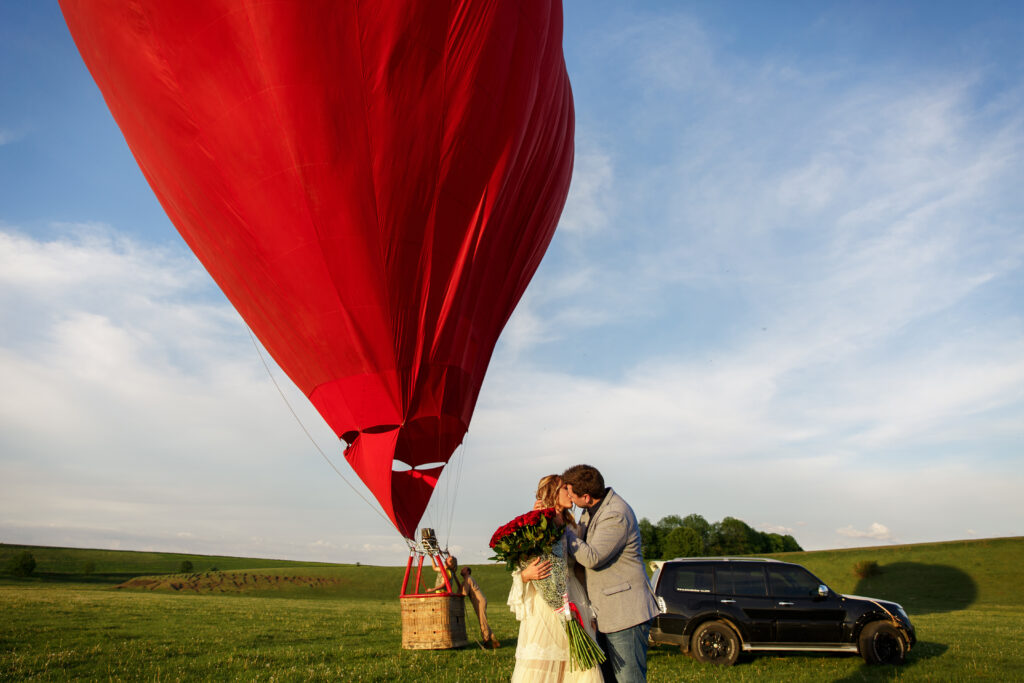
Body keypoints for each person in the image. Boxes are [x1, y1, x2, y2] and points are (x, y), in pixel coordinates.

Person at [561, 465, 658, 683]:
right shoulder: (591, 510)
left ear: (586, 496)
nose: (570, 499)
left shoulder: (615, 514)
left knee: (628, 679)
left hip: (626, 614)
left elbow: (592, 557)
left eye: (572, 494)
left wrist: (562, 528)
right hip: (606, 613)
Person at [508, 475, 603, 682]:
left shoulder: (572, 526)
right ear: (552, 493)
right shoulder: (535, 524)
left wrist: (590, 611)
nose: (571, 494)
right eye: (565, 489)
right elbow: (521, 564)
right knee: (543, 664)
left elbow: (579, 569)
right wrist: (525, 575)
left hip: (574, 596)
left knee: (580, 666)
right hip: (544, 602)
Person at [460, 565, 500, 649]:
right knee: (483, 620)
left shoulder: (468, 578)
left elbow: (464, 593)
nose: (461, 570)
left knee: (482, 621)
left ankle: (486, 641)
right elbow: (462, 587)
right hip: (478, 601)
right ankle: (494, 640)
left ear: (467, 571)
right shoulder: (466, 580)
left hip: (479, 601)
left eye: (463, 569)